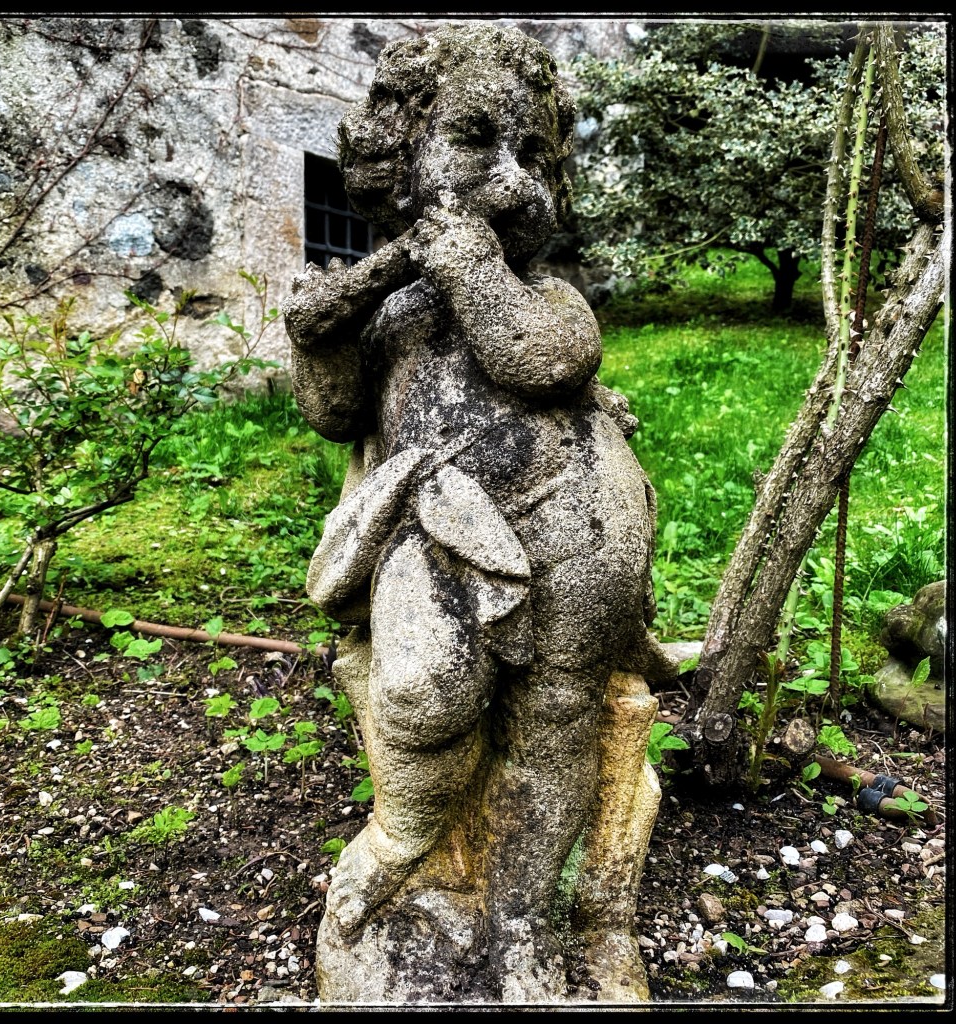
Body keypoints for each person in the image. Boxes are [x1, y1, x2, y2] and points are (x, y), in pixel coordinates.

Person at [284, 24, 668, 975]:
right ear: (399, 161)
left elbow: (538, 359)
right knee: (422, 693)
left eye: (532, 154)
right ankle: (403, 838)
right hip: (440, 522)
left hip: (577, 523)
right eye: (473, 141)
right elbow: (336, 413)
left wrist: (471, 269)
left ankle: (523, 920)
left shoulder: (551, 293)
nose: (510, 179)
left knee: (558, 717)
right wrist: (320, 334)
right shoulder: (391, 310)